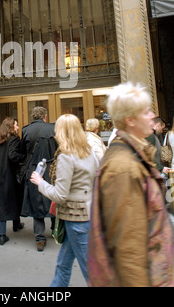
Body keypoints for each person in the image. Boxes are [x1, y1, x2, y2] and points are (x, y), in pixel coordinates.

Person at [88, 82, 174, 287]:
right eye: (146, 112)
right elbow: (129, 251)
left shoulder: (135, 154)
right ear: (130, 120)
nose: (153, 115)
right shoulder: (123, 168)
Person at [31, 114, 98, 286]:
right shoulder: (89, 152)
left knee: (90, 271)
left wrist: (40, 182)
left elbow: (60, 195)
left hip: (77, 218)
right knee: (63, 264)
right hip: (87, 213)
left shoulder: (66, 157)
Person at [20, 106, 55, 252]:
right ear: (45, 116)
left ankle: (40, 237)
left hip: (34, 169)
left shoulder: (26, 130)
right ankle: (55, 229)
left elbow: (23, 152)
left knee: (36, 202)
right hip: (51, 168)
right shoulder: (52, 129)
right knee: (53, 198)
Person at [0, 117, 24, 246]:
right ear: (11, 126)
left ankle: (2, 233)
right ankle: (16, 225)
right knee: (14, 198)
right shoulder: (14, 139)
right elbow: (12, 155)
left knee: (1, 203)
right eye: (16, 125)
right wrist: (23, 158)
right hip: (10, 175)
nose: (18, 127)